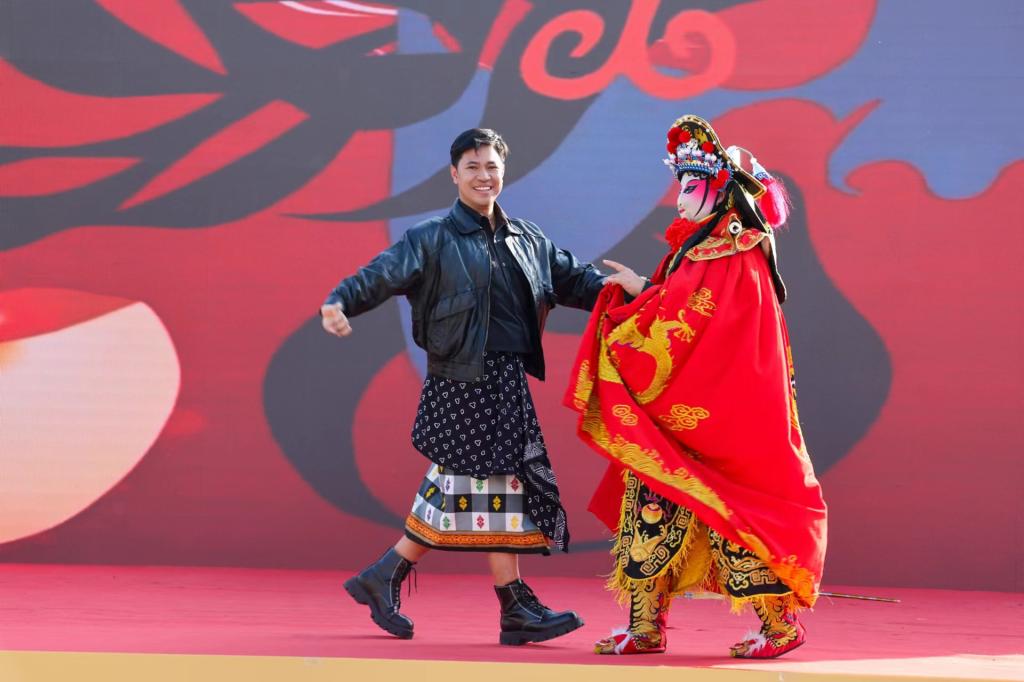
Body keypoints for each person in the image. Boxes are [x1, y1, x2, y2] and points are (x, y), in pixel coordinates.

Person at [321, 128, 637, 646]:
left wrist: (623, 290)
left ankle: (391, 577)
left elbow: (576, 281)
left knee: (477, 486)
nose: (483, 176)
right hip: (460, 379)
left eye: (491, 166)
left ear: (503, 172)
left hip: (506, 377)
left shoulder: (527, 239)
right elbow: (381, 274)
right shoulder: (431, 238)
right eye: (472, 167)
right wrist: (340, 301)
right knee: (485, 485)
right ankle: (508, 604)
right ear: (454, 174)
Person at [565, 115, 827, 658]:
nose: (680, 201)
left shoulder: (731, 250)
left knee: (734, 513)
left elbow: (686, 322)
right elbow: (678, 308)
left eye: (690, 187)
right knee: (652, 500)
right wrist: (642, 289)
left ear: (720, 190)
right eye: (680, 187)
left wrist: (633, 308)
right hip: (687, 408)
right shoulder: (705, 248)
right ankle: (645, 625)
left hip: (723, 412)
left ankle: (779, 626)